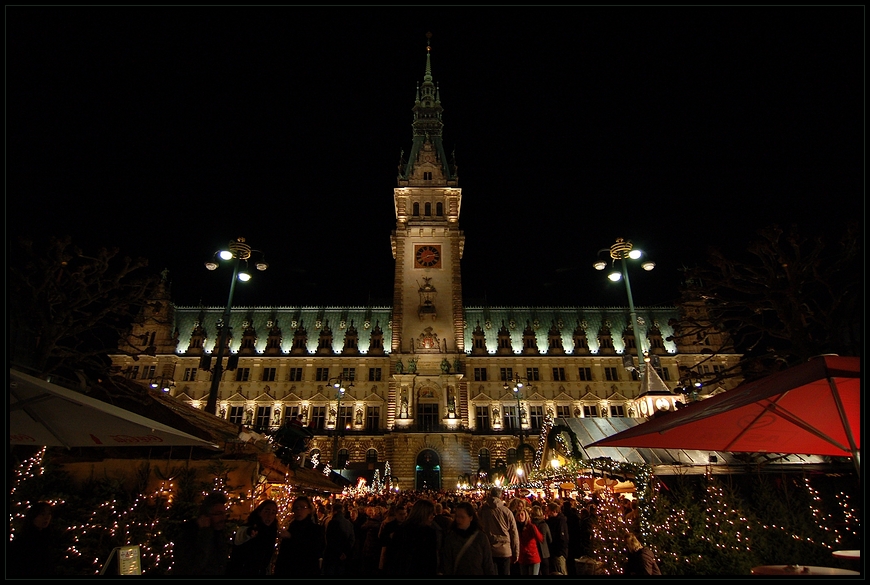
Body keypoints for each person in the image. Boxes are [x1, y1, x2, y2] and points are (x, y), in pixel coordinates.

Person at [173, 492, 231, 575]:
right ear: (205, 516)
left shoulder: (218, 534)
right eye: (218, 514)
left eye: (224, 513)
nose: (223, 518)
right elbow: (194, 566)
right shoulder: (187, 535)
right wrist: (205, 533)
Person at [383, 498, 439, 576]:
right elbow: (431, 561)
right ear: (423, 514)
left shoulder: (401, 529)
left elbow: (393, 555)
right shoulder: (429, 533)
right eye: (431, 514)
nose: (433, 517)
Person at [273, 495, 326, 577]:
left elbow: (315, 551)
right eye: (296, 508)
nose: (299, 510)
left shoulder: (315, 529)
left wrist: (292, 537)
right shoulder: (291, 527)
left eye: (302, 507)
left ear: (309, 510)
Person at [438, 500, 496, 575]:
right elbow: (447, 563)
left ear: (471, 518)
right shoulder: (451, 537)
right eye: (457, 516)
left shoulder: (481, 537)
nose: (458, 520)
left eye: (462, 517)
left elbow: (487, 563)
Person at [8, 501, 64, 577]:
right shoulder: (23, 542)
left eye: (49, 514)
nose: (46, 517)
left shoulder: (50, 538)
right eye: (42, 514)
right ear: (33, 517)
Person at [227, 499, 279, 575]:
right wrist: (250, 532)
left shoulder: (271, 532)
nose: (269, 515)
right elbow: (242, 535)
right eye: (267, 511)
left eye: (273, 513)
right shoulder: (249, 527)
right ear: (259, 512)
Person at [477, 486, 520, 576]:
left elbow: (478, 527)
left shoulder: (483, 510)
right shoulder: (507, 512)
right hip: (504, 549)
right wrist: (516, 552)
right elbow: (514, 533)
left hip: (489, 548)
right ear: (500, 496)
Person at [322, 501, 356, 576]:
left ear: (334, 511)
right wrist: (345, 552)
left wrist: (338, 552)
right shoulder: (348, 523)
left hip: (332, 554)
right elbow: (352, 539)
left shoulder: (332, 522)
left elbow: (330, 539)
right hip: (343, 555)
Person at [515, 507, 544, 575]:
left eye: (522, 514)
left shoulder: (531, 526)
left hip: (532, 556)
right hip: (522, 557)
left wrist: (534, 530)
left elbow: (540, 538)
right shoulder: (516, 527)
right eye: (518, 515)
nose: (520, 517)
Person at [546, 501, 569, 575]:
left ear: (554, 511)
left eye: (548, 511)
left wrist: (559, 552)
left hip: (558, 553)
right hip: (555, 552)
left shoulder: (560, 522)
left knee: (560, 571)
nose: (547, 513)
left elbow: (562, 538)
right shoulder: (552, 521)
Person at [530, 505, 553, 575]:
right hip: (544, 553)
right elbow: (550, 539)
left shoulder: (529, 525)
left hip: (533, 553)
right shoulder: (544, 525)